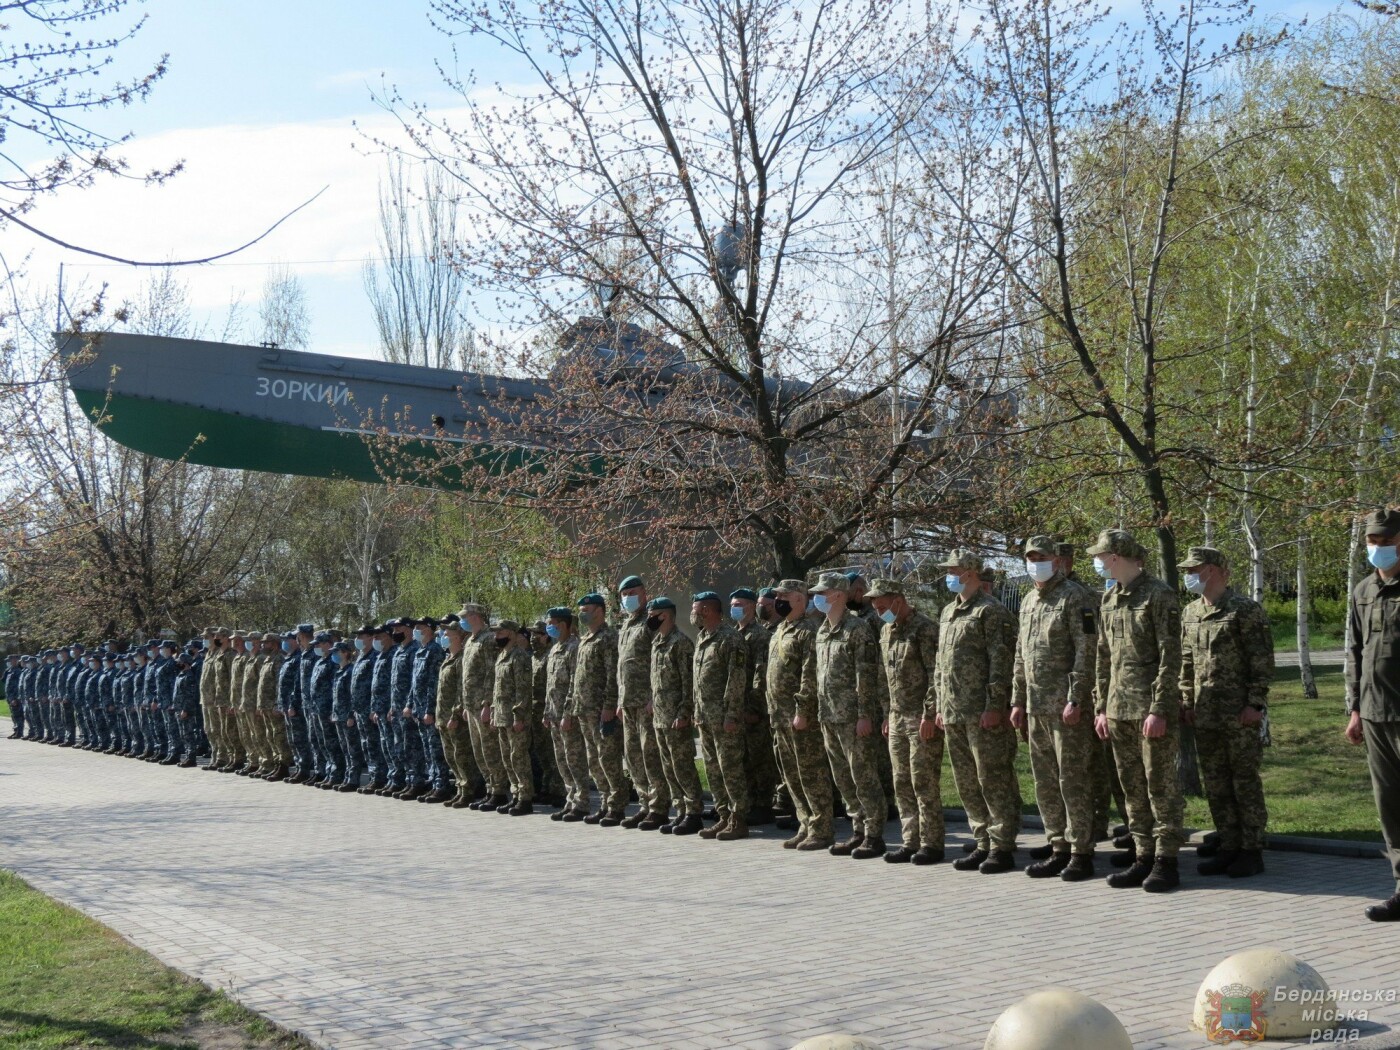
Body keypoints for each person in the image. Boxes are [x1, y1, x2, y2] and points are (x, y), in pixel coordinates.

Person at [1090, 527, 1185, 893]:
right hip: (1118, 709)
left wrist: (1160, 708)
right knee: (1132, 789)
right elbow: (1104, 657)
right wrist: (1101, 707)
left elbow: (1170, 656)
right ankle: (1143, 855)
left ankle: (1166, 861)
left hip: (1149, 710)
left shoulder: (1159, 595)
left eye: (1100, 557)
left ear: (1115, 556)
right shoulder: (1110, 598)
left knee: (1160, 787)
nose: (1098, 563)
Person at [1177, 546, 1273, 879]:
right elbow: (1186, 662)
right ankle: (1229, 846)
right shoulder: (1190, 612)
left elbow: (1261, 661)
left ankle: (1251, 850)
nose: (1189, 574)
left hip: (1238, 714)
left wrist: (1255, 703)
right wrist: (1186, 701)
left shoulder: (1245, 609)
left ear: (1215, 570)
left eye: (1195, 568)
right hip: (1205, 714)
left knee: (1244, 782)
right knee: (1216, 785)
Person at [1011, 536, 1100, 881]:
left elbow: (1086, 649)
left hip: (1065, 708)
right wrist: (1017, 700)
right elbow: (1021, 654)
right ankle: (1058, 845)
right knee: (1045, 781)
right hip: (1036, 706)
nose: (1037, 563)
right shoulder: (1028, 600)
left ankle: (1081, 851)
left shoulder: (1075, 596)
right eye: (1031, 558)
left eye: (1043, 557)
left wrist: (1077, 697)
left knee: (1072, 779)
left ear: (1057, 561)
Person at [934, 549, 1020, 874]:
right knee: (967, 781)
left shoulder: (990, 612)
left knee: (992, 777)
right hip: (954, 710)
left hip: (982, 712)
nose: (948, 574)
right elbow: (942, 665)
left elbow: (1001, 661)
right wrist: (941, 705)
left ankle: (1002, 845)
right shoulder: (947, 612)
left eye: (953, 569)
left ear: (969, 573)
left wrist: (995, 705)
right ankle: (982, 839)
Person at [1345, 508, 1400, 921]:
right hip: (1376, 714)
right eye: (1372, 541)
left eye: (1385, 540)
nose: (1377, 548)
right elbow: (1355, 653)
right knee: (1390, 806)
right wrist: (1354, 710)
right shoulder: (1363, 589)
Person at [868, 577, 945, 865]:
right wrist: (888, 712)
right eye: (876, 608)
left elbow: (936, 674)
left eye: (883, 606)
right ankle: (910, 840)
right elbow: (883, 677)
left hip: (920, 718)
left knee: (923, 781)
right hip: (898, 718)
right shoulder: (887, 631)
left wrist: (929, 713)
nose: (879, 612)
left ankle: (931, 842)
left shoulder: (925, 629)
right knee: (901, 781)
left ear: (898, 601)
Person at [812, 571, 887, 859]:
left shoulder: (857, 629)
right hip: (829, 715)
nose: (818, 597)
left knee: (863, 776)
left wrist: (866, 715)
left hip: (854, 717)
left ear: (839, 595)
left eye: (823, 592)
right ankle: (857, 829)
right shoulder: (823, 630)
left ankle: (874, 833)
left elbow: (866, 676)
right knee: (843, 777)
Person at [691, 591, 751, 841]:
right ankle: (723, 815)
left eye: (695, 609)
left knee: (730, 768)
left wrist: (732, 714)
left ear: (707, 610)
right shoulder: (703, 637)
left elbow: (736, 680)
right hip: (705, 716)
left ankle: (738, 819)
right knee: (713, 769)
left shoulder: (730, 639)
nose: (692, 614)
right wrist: (697, 711)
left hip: (724, 717)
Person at [570, 592, 628, 825]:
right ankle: (605, 802)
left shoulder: (608, 638)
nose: (582, 613)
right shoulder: (585, 639)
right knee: (594, 759)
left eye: (587, 609)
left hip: (601, 709)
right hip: (584, 709)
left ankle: (617, 805)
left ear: (600, 611)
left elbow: (613, 674)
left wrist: (609, 705)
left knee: (609, 757)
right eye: (580, 610)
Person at [616, 575, 668, 829]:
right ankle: (645, 803)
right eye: (624, 594)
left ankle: (659, 807)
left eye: (632, 592)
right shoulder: (626, 625)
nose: (628, 598)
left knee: (650, 755)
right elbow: (622, 666)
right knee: (633, 755)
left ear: (644, 593)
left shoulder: (651, 620)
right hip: (628, 701)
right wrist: (619, 699)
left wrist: (653, 696)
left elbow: (660, 660)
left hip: (646, 700)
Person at [647, 597, 703, 835]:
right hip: (660, 716)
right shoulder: (658, 642)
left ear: (666, 615)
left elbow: (689, 683)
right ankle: (680, 810)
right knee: (669, 767)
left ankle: (694, 812)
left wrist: (684, 712)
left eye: (653, 613)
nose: (649, 618)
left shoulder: (681, 643)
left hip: (676, 716)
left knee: (683, 766)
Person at [731, 588, 777, 826]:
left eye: (739, 604)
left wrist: (755, 707)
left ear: (750, 607)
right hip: (737, 707)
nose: (734, 608)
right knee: (743, 758)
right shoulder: (735, 634)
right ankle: (747, 802)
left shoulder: (760, 636)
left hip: (753, 708)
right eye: (732, 604)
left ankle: (763, 804)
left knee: (760, 758)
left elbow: (761, 673)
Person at [542, 607, 589, 822]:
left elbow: (574, 683)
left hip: (566, 715)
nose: (548, 627)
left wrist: (568, 713)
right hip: (553, 714)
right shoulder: (554, 649)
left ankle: (581, 802)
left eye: (551, 623)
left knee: (574, 759)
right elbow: (550, 685)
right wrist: (547, 711)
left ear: (563, 625)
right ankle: (570, 800)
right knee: (561, 760)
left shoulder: (573, 648)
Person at [491, 619, 535, 815]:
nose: (496, 636)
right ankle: (515, 793)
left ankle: (525, 798)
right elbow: (497, 689)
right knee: (507, 759)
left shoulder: (519, 657)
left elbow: (523, 689)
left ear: (511, 633)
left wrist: (519, 715)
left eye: (500, 633)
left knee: (519, 758)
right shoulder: (502, 656)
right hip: (502, 715)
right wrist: (494, 711)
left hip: (515, 717)